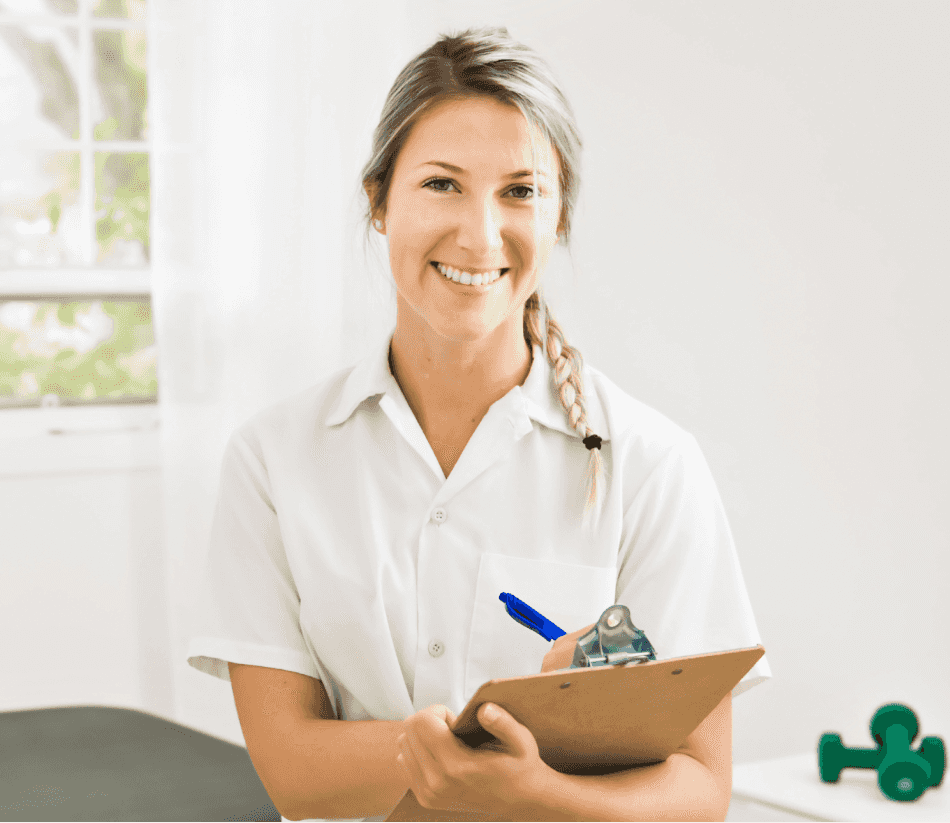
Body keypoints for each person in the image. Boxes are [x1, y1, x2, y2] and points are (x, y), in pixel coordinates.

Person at [186, 26, 771, 822]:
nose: (480, 234)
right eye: (441, 184)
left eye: (521, 191)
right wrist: (468, 753)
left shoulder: (653, 462)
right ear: (378, 201)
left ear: (558, 216)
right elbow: (292, 767)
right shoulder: (274, 458)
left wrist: (537, 792)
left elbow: (701, 788)